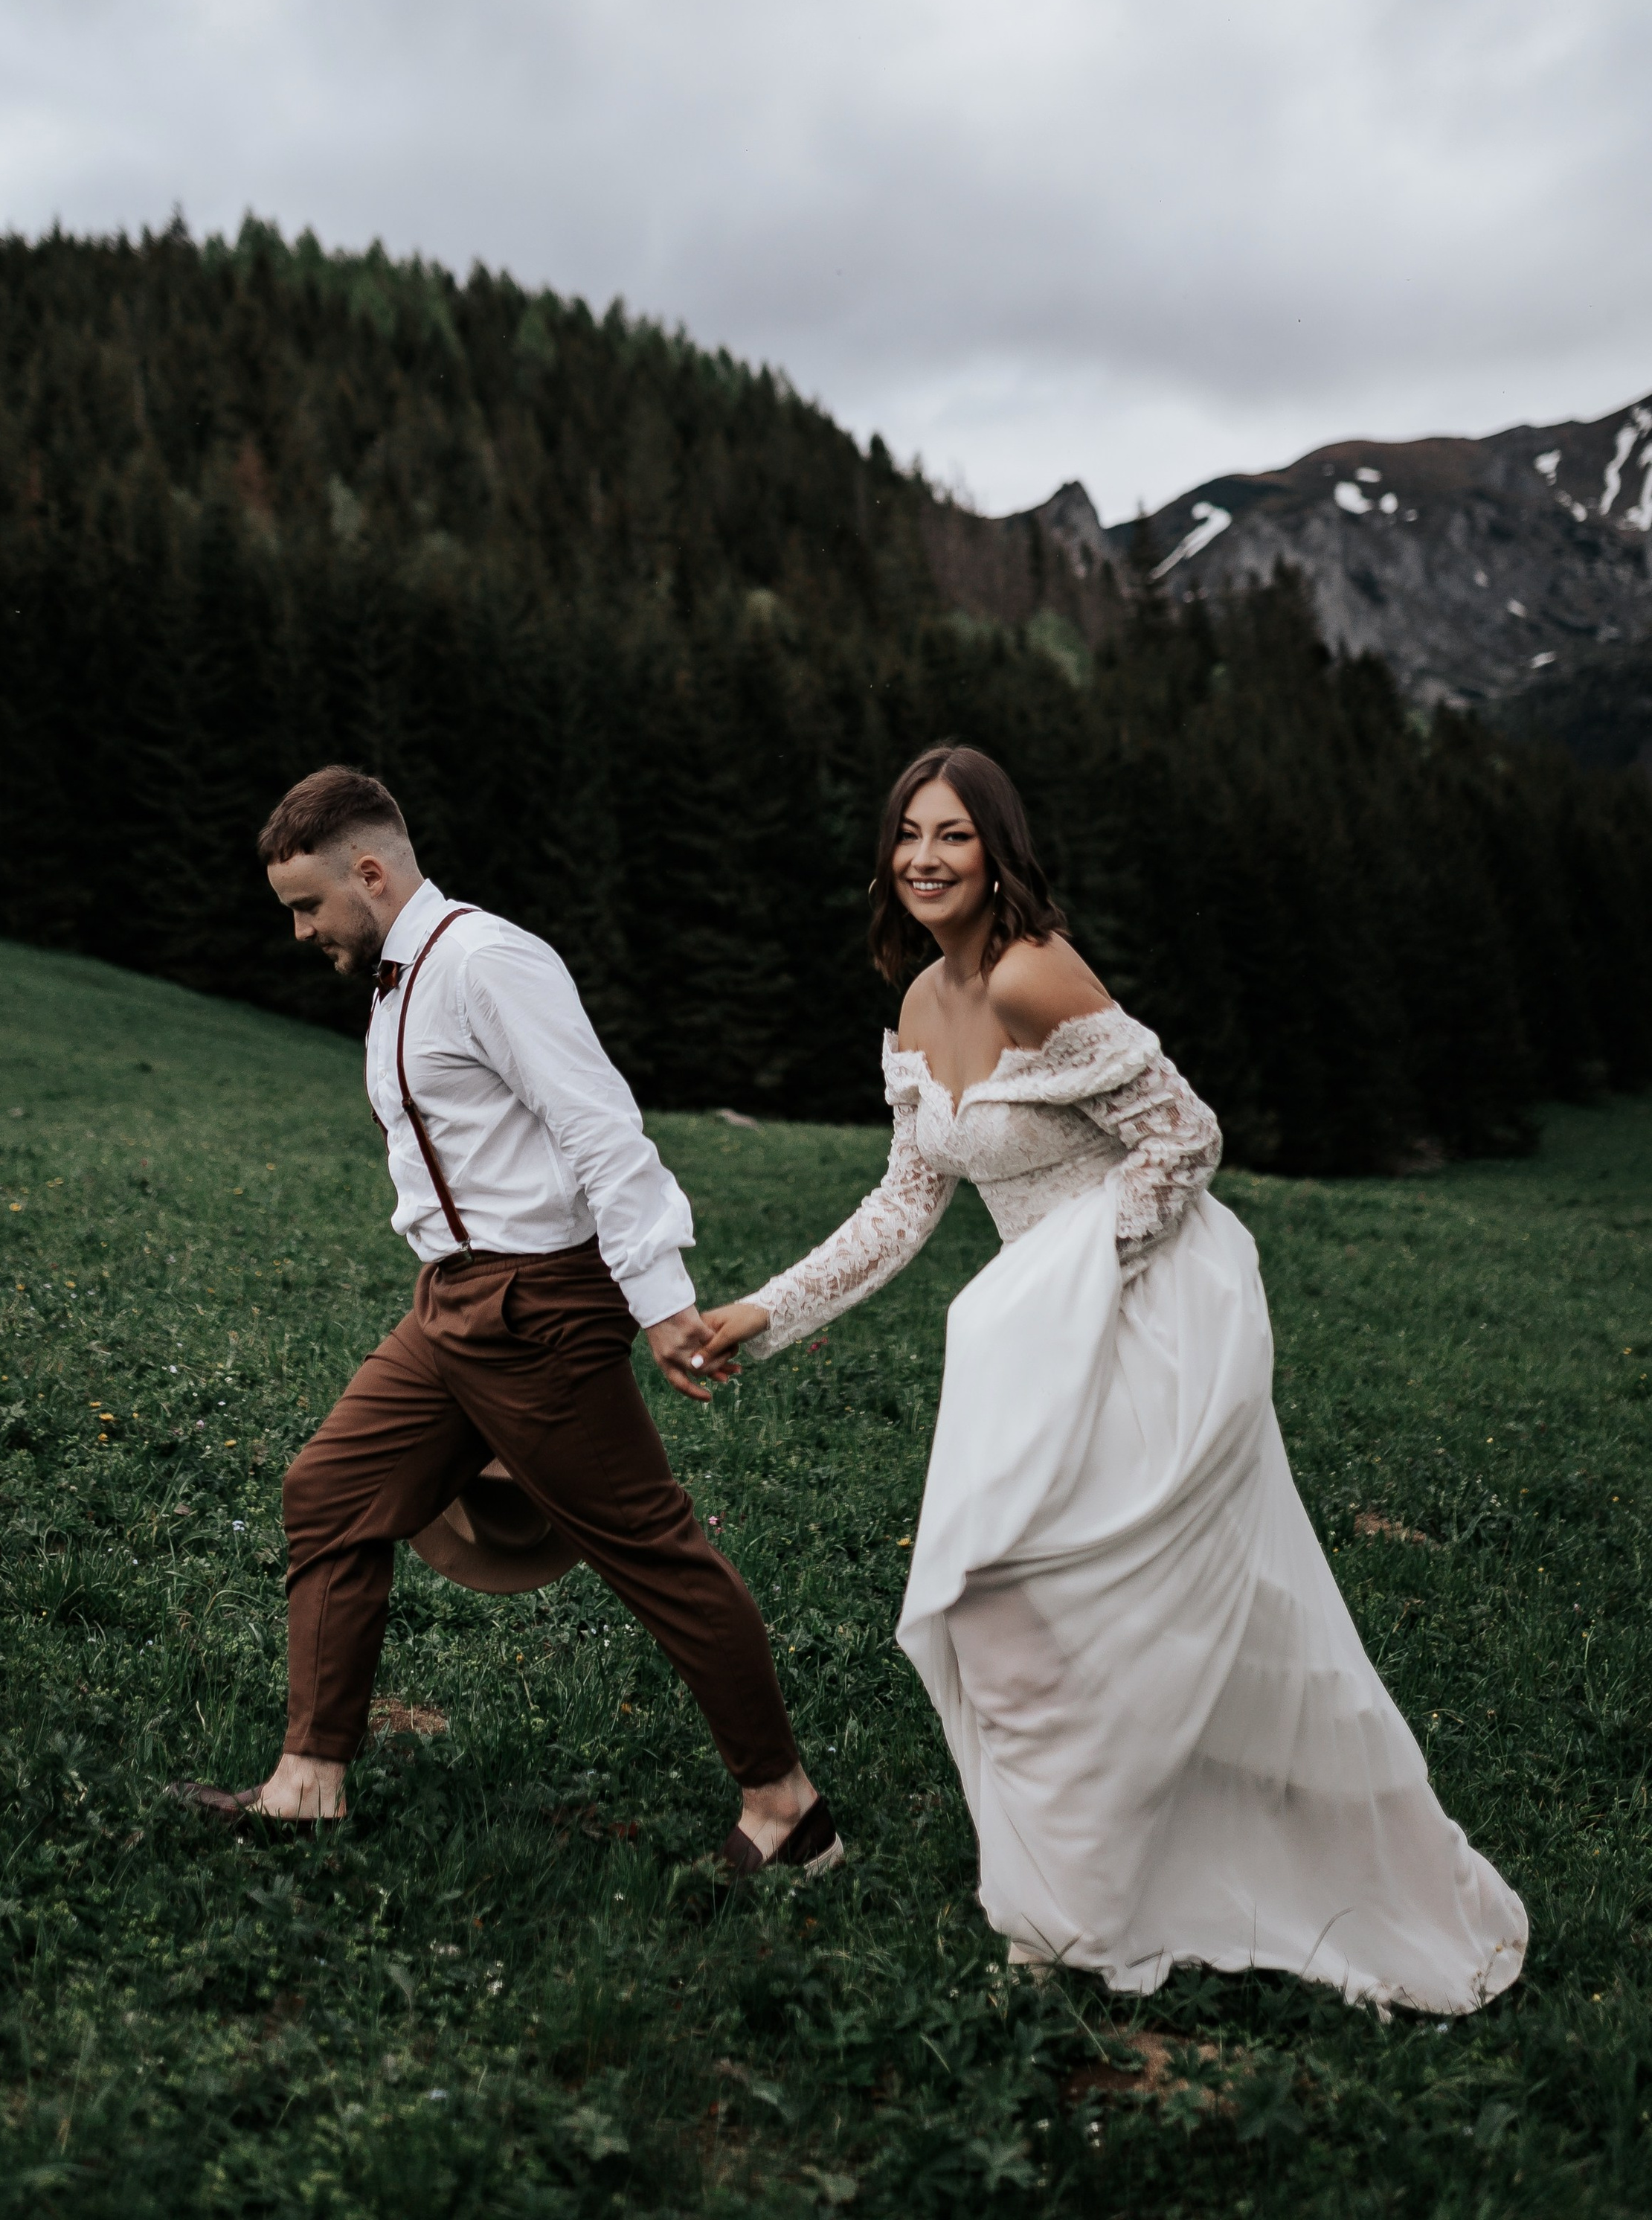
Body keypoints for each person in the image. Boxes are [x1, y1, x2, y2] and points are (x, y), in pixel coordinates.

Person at [698, 743, 1526, 2011]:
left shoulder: (1038, 976)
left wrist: (1073, 1277)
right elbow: (910, 1197)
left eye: (954, 836)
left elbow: (1185, 1137)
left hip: (1149, 1313)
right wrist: (763, 1313)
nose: (924, 856)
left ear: (998, 853)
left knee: (1122, 1604)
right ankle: (1071, 1903)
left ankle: (1246, 1862)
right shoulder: (920, 1008)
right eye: (907, 833)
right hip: (1039, 1335)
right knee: (1002, 1610)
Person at [177, 764, 836, 1875]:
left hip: (539, 1311)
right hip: (451, 1308)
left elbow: (599, 1131)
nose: (299, 932)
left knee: (650, 1550)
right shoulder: (404, 978)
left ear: (371, 873)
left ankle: (789, 1809)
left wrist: (662, 1302)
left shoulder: (487, 963)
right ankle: (307, 1783)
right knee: (328, 1492)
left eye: (308, 906)